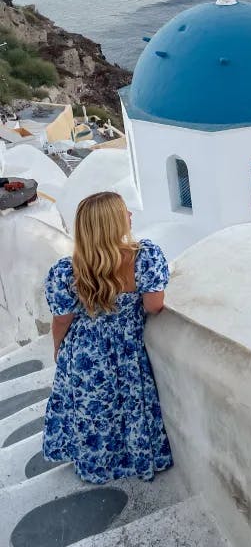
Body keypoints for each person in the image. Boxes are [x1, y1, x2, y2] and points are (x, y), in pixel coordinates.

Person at [42, 191, 173, 484]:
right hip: (127, 347)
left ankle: (96, 466)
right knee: (128, 405)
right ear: (114, 223)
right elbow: (154, 306)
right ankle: (136, 459)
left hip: (84, 351)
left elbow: (62, 320)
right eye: (125, 212)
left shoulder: (66, 271)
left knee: (94, 412)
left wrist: (58, 351)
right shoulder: (145, 257)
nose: (130, 216)